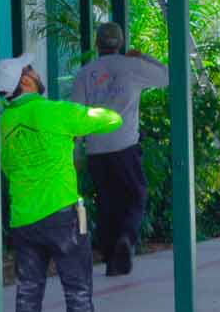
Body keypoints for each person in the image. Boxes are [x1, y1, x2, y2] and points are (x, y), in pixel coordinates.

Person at [0, 53, 120, 312]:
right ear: (26, 81)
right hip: (63, 216)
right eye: (31, 70)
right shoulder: (56, 112)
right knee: (78, 291)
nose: (37, 72)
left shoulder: (4, 125)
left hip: (23, 219)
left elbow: (7, 167)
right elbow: (110, 120)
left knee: (28, 294)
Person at [70, 22, 171, 276]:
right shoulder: (132, 67)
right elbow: (168, 76)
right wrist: (143, 57)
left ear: (97, 44)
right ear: (121, 43)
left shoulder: (85, 73)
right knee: (136, 195)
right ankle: (126, 238)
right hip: (125, 146)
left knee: (107, 201)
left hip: (96, 149)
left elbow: (76, 116)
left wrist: (77, 150)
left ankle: (110, 256)